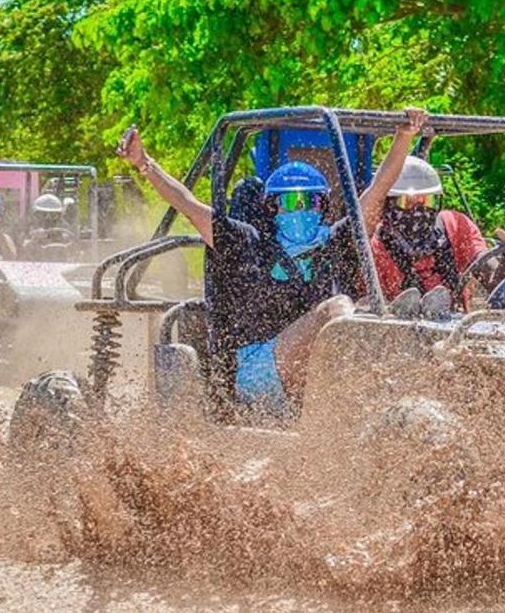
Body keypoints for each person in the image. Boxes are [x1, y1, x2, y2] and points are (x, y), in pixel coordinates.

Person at [117, 107, 429, 415]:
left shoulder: (333, 242)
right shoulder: (247, 243)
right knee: (338, 307)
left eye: (310, 201)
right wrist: (145, 163)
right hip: (255, 372)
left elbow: (378, 191)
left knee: (365, 308)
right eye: (290, 201)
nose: (300, 209)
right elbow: (188, 204)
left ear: (323, 205)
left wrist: (403, 137)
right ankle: (364, 380)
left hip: (308, 369)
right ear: (272, 208)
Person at [369, 157, 505, 316]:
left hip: (455, 330)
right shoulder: (371, 245)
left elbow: (493, 280)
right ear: (388, 203)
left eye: (427, 201)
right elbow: (362, 306)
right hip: (399, 334)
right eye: (406, 202)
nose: (419, 211)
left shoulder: (455, 225)